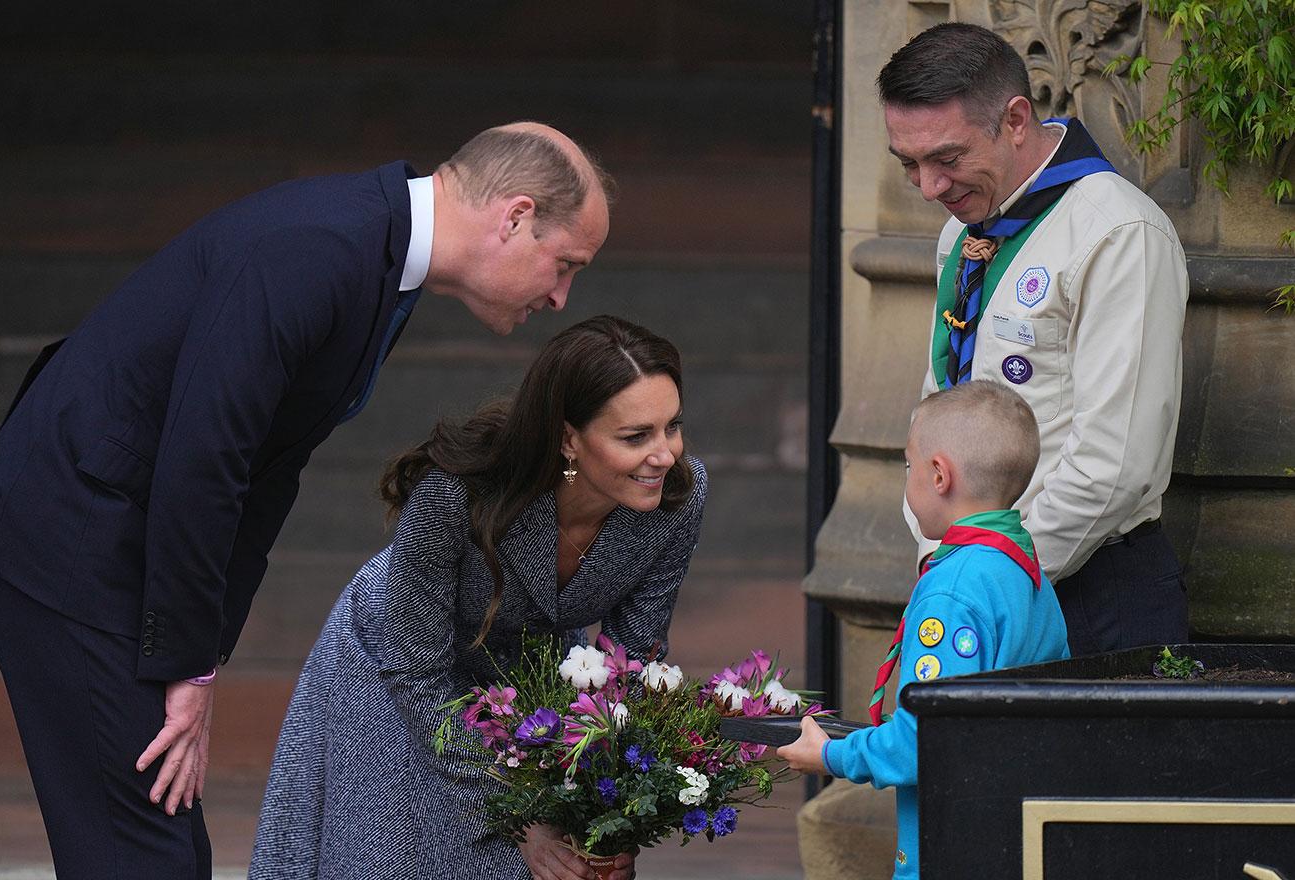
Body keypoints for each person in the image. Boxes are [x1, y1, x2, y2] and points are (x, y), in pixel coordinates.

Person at [0, 121, 613, 880]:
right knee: (139, 847)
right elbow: (207, 458)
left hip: (111, 533)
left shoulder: (375, 249)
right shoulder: (323, 246)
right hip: (68, 532)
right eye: (564, 265)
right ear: (516, 216)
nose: (561, 295)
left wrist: (202, 655)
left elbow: (267, 468)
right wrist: (189, 667)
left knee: (158, 839)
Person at [249, 315, 706, 880]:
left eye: (673, 426)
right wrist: (526, 812)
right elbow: (416, 674)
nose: (664, 455)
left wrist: (605, 812)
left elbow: (628, 662)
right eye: (636, 437)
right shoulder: (454, 491)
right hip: (397, 672)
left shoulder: (679, 497)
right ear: (568, 438)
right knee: (411, 853)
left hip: (529, 676)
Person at [881, 23, 1190, 656]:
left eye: (947, 157)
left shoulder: (1118, 231)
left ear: (1016, 119)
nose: (931, 188)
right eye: (910, 165)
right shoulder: (964, 229)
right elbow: (939, 410)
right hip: (978, 583)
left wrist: (987, 572)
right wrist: (945, 561)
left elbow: (1115, 467)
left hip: (1089, 594)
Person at [778, 380, 1068, 880]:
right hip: (1014, 837)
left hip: (953, 847)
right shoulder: (1023, 568)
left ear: (938, 475)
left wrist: (829, 754)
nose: (907, 478)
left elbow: (922, 741)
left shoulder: (952, 590)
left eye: (908, 465)